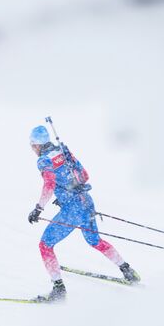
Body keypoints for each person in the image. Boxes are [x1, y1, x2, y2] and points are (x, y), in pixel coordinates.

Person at [28, 125, 140, 301]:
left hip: (73, 210)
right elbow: (84, 175)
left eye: (32, 145)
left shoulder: (43, 160)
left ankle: (59, 290)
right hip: (86, 202)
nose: (32, 149)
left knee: (45, 245)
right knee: (95, 241)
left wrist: (38, 208)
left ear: (37, 145)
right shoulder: (62, 151)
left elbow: (49, 185)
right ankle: (127, 270)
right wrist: (66, 194)